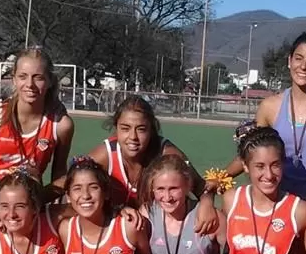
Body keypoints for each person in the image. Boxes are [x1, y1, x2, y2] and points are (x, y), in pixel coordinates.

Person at [222, 26, 306, 200]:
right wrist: (220, 178)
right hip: (281, 199)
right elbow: (253, 151)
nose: (304, 66)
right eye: (298, 58)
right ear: (289, 61)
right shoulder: (269, 106)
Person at [86, 96, 218, 234]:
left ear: (151, 130)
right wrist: (115, 210)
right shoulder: (105, 155)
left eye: (141, 129)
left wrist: (207, 204)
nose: (133, 137)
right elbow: (75, 182)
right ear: (116, 128)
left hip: (159, 236)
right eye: (125, 128)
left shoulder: (167, 154)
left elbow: (201, 187)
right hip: (118, 233)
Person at [0, 46, 74, 205]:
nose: (30, 84)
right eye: (23, 76)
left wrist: (39, 200)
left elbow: (59, 174)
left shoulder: (61, 125)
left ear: (50, 81)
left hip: (29, 204)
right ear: (14, 79)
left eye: (38, 77)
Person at [219, 127, 306, 254]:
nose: (269, 175)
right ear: (245, 166)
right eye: (260, 166)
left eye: (275, 165)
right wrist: (207, 199)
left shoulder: (300, 211)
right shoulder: (231, 200)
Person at [57, 157, 157, 254]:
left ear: (106, 193)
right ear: (68, 196)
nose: (85, 195)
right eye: (77, 188)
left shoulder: (128, 225)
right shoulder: (65, 229)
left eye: (93, 187)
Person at [141, 154, 226, 254]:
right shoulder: (147, 214)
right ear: (152, 188)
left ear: (187, 186)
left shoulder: (210, 218)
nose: (167, 197)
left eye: (174, 188)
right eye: (160, 189)